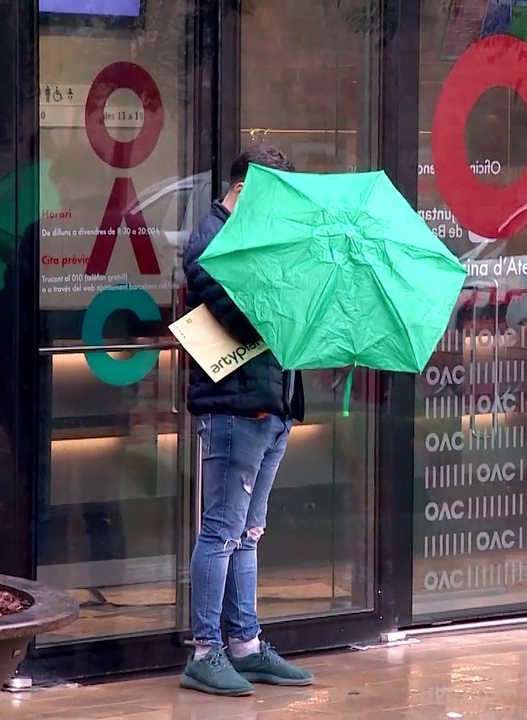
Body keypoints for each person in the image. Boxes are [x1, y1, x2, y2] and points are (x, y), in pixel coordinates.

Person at [179, 144, 312, 696]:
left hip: (271, 404)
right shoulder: (211, 243)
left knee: (248, 534)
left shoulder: (255, 241)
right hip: (236, 408)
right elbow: (244, 317)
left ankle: (247, 645)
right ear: (246, 188)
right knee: (222, 531)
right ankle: (207, 650)